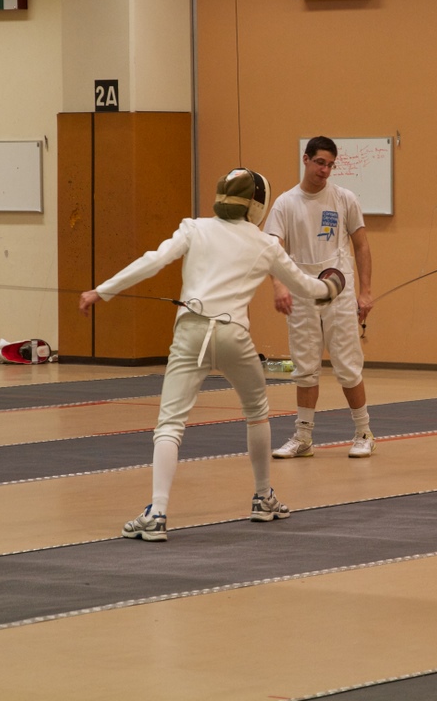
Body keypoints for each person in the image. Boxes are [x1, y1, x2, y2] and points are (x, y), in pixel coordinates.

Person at [79, 169, 346, 542]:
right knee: (257, 412)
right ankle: (263, 497)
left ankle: (157, 513)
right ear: (256, 205)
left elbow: (152, 261)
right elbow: (306, 288)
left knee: (170, 424)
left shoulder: (195, 228)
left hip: (190, 333)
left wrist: (101, 291)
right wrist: (333, 286)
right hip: (234, 336)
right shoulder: (264, 244)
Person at [267, 136, 377, 459]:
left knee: (348, 366)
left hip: (338, 292)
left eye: (330, 165)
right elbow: (272, 251)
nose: (325, 170)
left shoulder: (344, 199)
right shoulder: (285, 204)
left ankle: (364, 433)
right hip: (301, 293)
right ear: (306, 159)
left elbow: (362, 246)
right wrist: (279, 286)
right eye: (320, 163)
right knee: (305, 368)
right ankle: (303, 437)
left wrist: (365, 292)